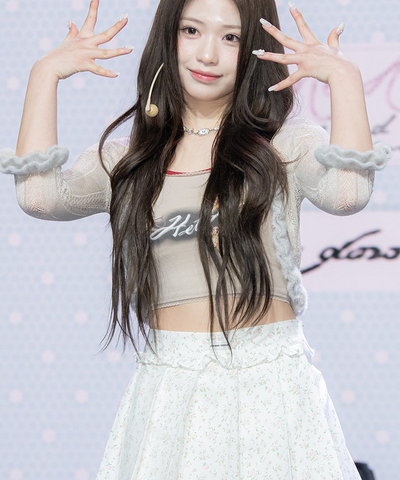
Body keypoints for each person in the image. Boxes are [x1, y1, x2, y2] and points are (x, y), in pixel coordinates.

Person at [0, 0, 392, 478]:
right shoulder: (129, 161)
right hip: (170, 392)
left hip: (270, 386)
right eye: (191, 30)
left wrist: (345, 80)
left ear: (255, 48)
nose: (208, 54)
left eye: (231, 37)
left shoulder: (284, 144)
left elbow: (347, 194)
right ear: (168, 36)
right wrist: (44, 75)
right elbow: (40, 196)